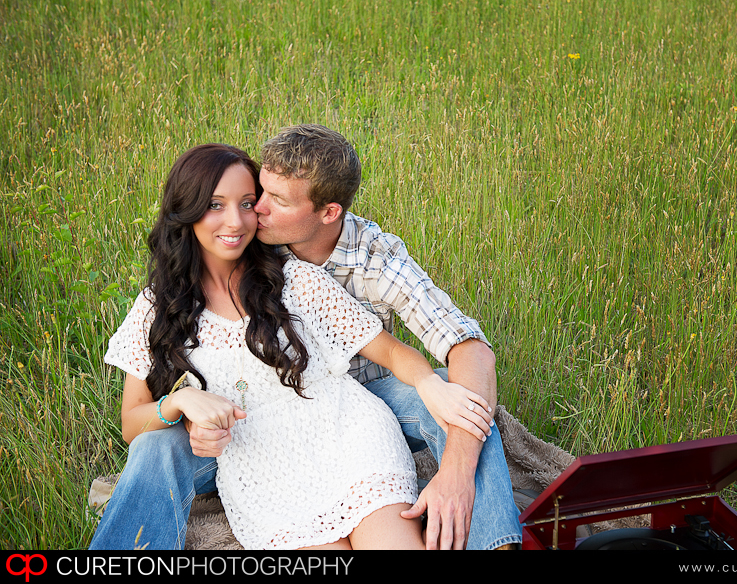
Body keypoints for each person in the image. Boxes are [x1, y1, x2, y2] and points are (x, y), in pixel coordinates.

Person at [95, 143, 493, 550]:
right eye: (215, 205)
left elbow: (389, 351)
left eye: (247, 203)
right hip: (265, 482)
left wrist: (428, 381)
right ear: (187, 211)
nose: (235, 221)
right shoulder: (155, 307)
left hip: (353, 445)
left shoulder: (294, 279)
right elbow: (132, 424)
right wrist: (182, 403)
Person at [248, 124, 522, 550]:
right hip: (282, 410)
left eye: (278, 200)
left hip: (370, 399)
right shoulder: (248, 239)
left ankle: (495, 544)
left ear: (329, 212)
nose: (257, 208)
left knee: (465, 407)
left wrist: (455, 472)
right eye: (261, 191)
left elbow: (471, 349)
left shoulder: (373, 256)